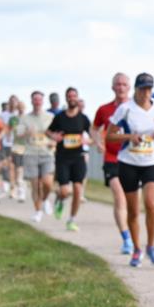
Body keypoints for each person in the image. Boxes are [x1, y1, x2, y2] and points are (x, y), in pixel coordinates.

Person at [106, 73, 154, 267]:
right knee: (133, 211)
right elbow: (110, 136)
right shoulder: (125, 109)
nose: (145, 93)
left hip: (152, 161)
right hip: (129, 162)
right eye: (142, 89)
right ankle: (136, 249)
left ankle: (151, 246)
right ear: (136, 89)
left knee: (151, 204)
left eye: (149, 89)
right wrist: (129, 137)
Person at [93, 72, 134, 254]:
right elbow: (94, 128)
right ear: (112, 87)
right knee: (119, 197)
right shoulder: (104, 110)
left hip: (134, 159)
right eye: (117, 84)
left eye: (124, 84)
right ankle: (126, 238)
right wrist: (98, 142)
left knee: (133, 202)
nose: (121, 87)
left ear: (129, 87)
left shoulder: (137, 108)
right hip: (112, 159)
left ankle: (133, 233)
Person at [46, 87, 91, 231]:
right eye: (69, 96)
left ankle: (71, 220)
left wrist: (87, 142)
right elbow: (48, 131)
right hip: (63, 158)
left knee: (78, 189)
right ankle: (60, 199)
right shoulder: (60, 117)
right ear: (66, 99)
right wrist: (54, 137)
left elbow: (93, 134)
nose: (72, 98)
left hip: (78, 157)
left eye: (74, 96)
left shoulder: (83, 118)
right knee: (65, 191)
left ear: (77, 98)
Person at [18, 91, 55, 222]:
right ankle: (38, 211)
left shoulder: (50, 117)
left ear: (42, 101)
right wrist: (28, 132)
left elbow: (56, 134)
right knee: (35, 185)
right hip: (31, 154)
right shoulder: (25, 118)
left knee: (47, 183)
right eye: (35, 99)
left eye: (40, 100)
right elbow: (19, 134)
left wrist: (53, 142)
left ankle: (45, 200)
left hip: (46, 154)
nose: (37, 102)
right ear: (32, 101)